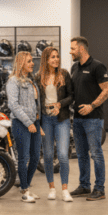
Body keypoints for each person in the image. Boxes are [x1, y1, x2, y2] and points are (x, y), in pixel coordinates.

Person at [69, 36, 108, 201]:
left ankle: (99, 189)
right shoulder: (74, 68)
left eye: (72, 48)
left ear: (81, 49)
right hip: (77, 119)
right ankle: (84, 186)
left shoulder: (97, 66)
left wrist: (91, 106)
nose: (70, 52)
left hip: (93, 118)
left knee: (96, 153)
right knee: (81, 154)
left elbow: (106, 91)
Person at [37, 46, 75, 202]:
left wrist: (60, 104)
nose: (56, 59)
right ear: (46, 59)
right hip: (45, 119)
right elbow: (36, 101)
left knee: (63, 155)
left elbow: (71, 96)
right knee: (47, 155)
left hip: (62, 119)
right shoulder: (38, 77)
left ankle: (65, 189)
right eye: (52, 57)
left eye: (57, 56)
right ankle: (51, 188)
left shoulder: (64, 74)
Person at [6, 51, 43, 203]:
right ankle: (25, 190)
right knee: (24, 158)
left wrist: (37, 123)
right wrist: (28, 123)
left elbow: (35, 105)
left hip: (34, 123)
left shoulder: (30, 81)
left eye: (32, 61)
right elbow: (13, 105)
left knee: (35, 157)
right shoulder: (13, 81)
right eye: (29, 61)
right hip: (21, 124)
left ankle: (25, 186)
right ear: (21, 63)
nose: (32, 63)